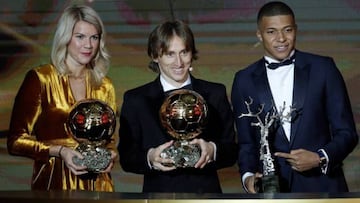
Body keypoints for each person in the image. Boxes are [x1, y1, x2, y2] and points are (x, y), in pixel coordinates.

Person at [231, 1, 358, 193]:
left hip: (323, 187)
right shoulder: (244, 79)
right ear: (259, 34)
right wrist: (248, 179)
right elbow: (246, 143)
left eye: (287, 30)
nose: (281, 38)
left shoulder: (323, 68)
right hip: (272, 191)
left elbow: (347, 133)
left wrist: (320, 157)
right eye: (271, 32)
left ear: (295, 30)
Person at [118, 20, 237, 193]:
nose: (179, 62)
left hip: (206, 194)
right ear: (155, 56)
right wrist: (150, 158)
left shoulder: (215, 94)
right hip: (159, 195)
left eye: (184, 52)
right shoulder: (136, 100)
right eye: (170, 54)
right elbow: (127, 158)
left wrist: (213, 150)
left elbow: (231, 150)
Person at [7, 5, 117, 191]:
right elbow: (15, 141)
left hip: (99, 185)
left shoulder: (105, 85)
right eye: (80, 37)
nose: (88, 45)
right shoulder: (41, 79)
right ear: (65, 37)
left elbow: (109, 141)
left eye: (94, 37)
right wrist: (59, 151)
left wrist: (111, 156)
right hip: (55, 182)